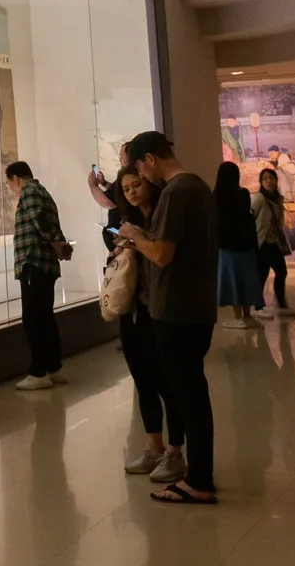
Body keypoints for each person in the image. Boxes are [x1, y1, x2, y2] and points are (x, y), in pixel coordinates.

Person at [118, 131, 220, 505]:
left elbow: (162, 254)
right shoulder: (199, 188)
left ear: (149, 160)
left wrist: (135, 236)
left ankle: (199, 481)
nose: (143, 178)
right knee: (194, 394)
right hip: (196, 307)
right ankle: (199, 475)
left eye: (141, 169)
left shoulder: (176, 193)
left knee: (189, 397)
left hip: (176, 311)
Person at [111, 169, 187, 484]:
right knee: (142, 379)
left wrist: (137, 240)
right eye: (126, 188)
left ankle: (175, 452)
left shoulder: (161, 217)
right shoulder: (128, 221)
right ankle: (153, 447)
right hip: (133, 309)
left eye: (136, 185)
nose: (132, 192)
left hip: (161, 310)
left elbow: (162, 256)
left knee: (167, 382)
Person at [6, 161, 68, 390]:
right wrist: (59, 242)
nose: (11, 189)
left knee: (34, 320)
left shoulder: (29, 191)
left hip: (33, 262)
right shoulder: (43, 192)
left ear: (15, 179)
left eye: (9, 184)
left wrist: (55, 242)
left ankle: (39, 371)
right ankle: (54, 367)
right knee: (45, 317)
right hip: (44, 264)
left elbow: (40, 221)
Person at [214, 162, 263, 329]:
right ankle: (248, 315)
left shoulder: (216, 196)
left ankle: (238, 317)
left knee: (232, 281)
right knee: (246, 280)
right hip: (246, 245)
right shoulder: (243, 193)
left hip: (226, 247)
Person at [251, 168, 295, 319]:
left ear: (276, 180)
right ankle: (258, 307)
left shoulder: (278, 199)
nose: (268, 181)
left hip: (274, 242)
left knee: (281, 272)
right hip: (262, 243)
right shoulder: (258, 199)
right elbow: (251, 217)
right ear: (261, 182)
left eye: (271, 178)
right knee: (262, 275)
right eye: (265, 179)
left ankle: (281, 305)